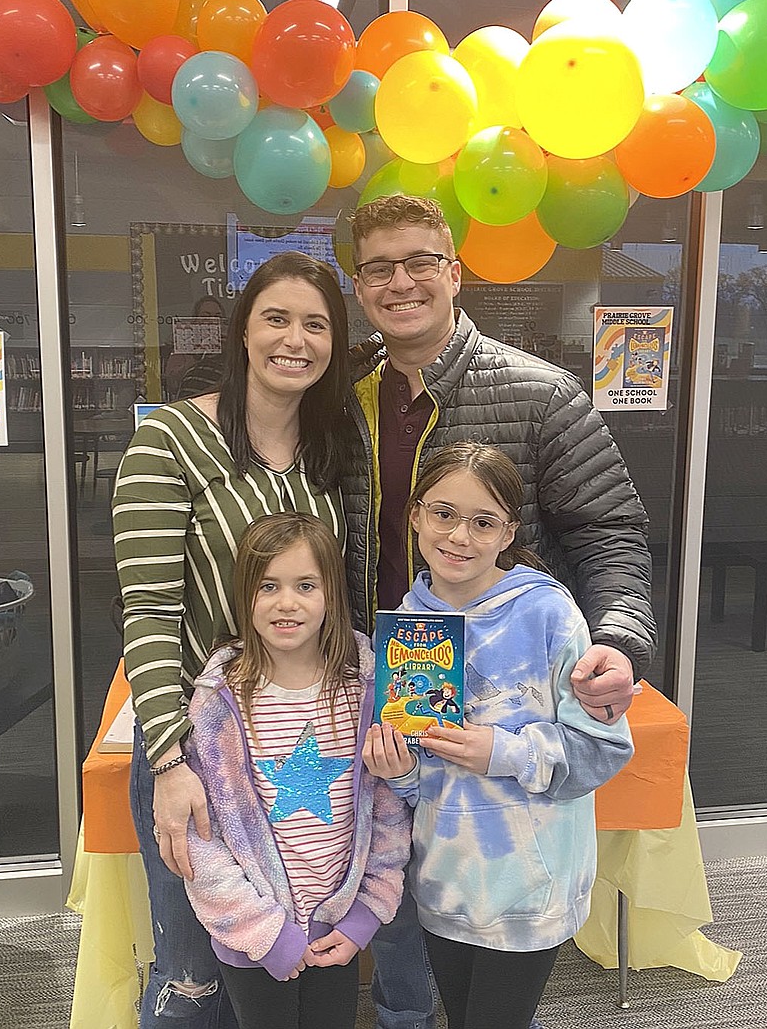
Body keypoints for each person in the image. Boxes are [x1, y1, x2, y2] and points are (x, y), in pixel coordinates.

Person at [341, 194, 657, 1029]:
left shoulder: (540, 393)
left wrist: (621, 639)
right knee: (398, 874)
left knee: (489, 893)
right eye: (378, 267)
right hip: (384, 668)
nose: (399, 281)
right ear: (359, 284)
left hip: (502, 685)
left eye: (419, 262)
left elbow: (610, 529)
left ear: (454, 272)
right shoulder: (338, 401)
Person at [112, 251, 352, 1029]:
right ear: (241, 331)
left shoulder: (330, 458)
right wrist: (171, 759)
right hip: (202, 759)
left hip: (304, 752)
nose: (296, 339)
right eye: (276, 318)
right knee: (194, 982)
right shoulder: (171, 443)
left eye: (316, 323)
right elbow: (146, 613)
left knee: (292, 972)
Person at [363, 442, 634, 1029]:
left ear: (509, 532)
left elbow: (602, 748)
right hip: (444, 880)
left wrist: (502, 751)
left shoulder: (548, 614)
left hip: (530, 889)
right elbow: (420, 782)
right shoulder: (409, 625)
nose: (460, 536)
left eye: (483, 522)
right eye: (443, 514)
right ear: (414, 516)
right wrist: (399, 770)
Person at [183, 512, 411, 1029]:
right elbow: (204, 839)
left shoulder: (368, 684)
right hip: (254, 934)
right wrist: (264, 933)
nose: (287, 603)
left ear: (331, 592)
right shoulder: (219, 701)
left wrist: (364, 916)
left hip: (337, 925)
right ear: (245, 595)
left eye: (305, 585)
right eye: (269, 586)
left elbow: (388, 815)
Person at [165, 294, 227, 399]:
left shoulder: (229, 345)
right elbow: (172, 385)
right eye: (206, 316)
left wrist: (228, 351)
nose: (212, 320)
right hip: (190, 403)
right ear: (196, 321)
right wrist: (196, 354)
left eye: (217, 316)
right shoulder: (184, 347)